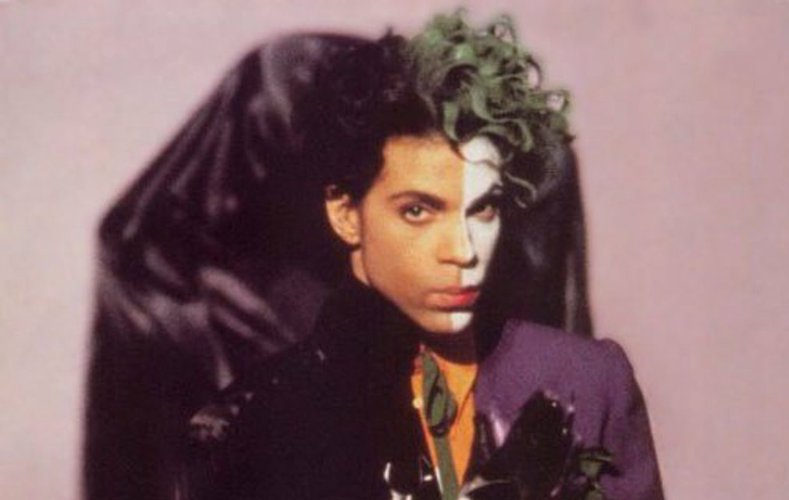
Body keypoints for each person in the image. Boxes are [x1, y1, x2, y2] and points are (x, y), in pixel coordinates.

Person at [83, 12, 662, 500]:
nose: (463, 252)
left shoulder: (589, 380)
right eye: (419, 211)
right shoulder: (248, 426)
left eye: (483, 209)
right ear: (345, 214)